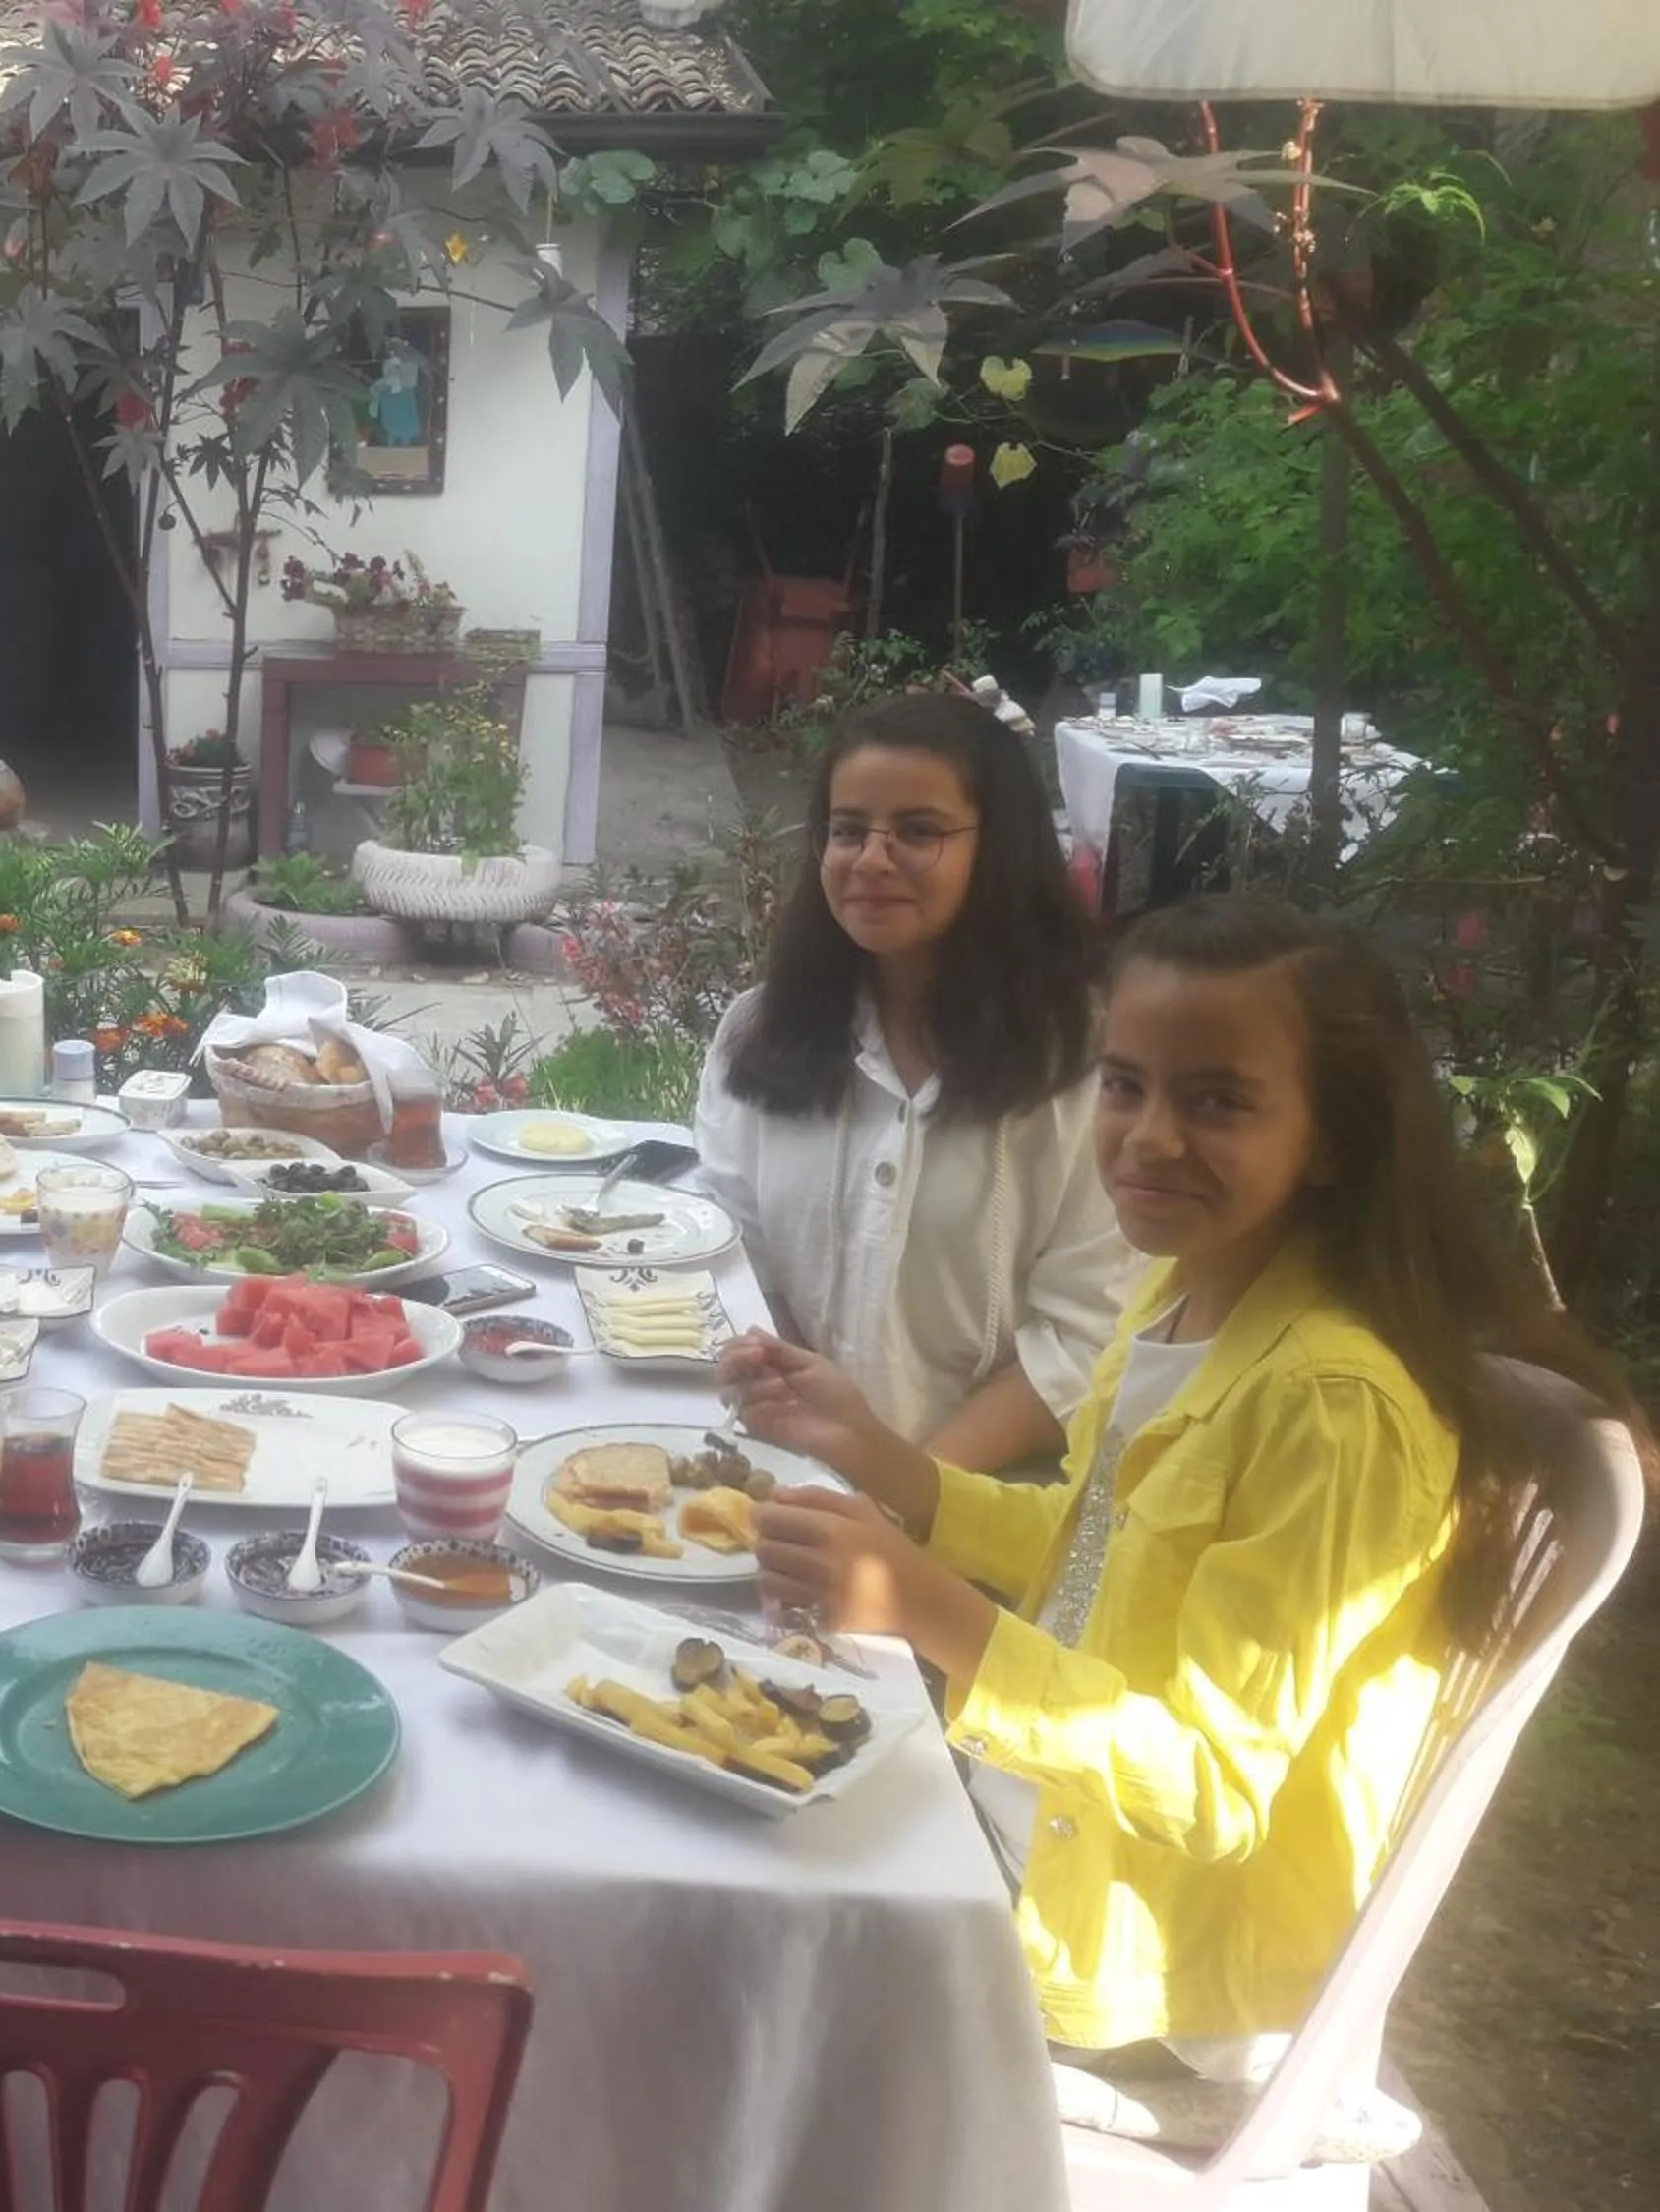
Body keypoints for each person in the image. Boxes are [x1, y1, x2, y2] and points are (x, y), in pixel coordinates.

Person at [735, 897, 1641, 2116]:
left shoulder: (1333, 1402)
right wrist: (885, 1461)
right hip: (1034, 1833)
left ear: (1331, 1136)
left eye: (1217, 1101)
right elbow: (1094, 1542)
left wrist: (932, 1614)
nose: (1149, 1139)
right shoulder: (1186, 1297)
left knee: (732, 1983)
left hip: (1147, 1995)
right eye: (1124, 1085)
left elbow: (1212, 1782)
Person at [693, 690, 1132, 1469]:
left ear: (998, 849)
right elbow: (732, 1259)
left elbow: (1086, 1333)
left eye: (918, 832)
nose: (871, 860)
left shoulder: (1092, 1065)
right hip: (786, 1478)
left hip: (999, 1514)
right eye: (848, 830)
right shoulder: (760, 1034)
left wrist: (905, 1497)